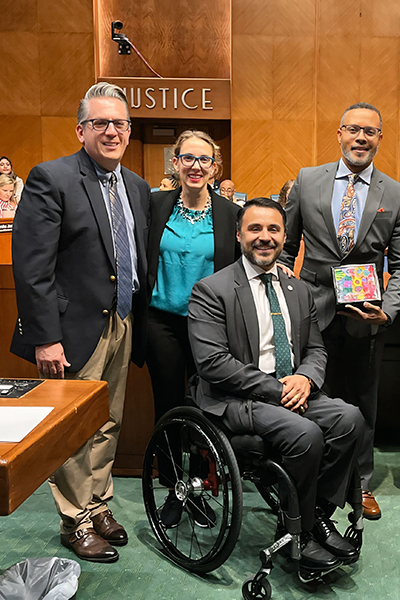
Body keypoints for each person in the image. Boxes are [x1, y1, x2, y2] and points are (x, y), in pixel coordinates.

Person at [10, 82, 150, 563]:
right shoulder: (52, 178)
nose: (111, 131)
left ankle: (98, 501)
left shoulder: (134, 185)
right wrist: (44, 338)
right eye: (101, 123)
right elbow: (32, 268)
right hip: (71, 331)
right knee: (72, 428)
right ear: (81, 129)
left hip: (122, 321)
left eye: (120, 123)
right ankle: (75, 519)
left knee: (107, 420)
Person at [188, 197, 365, 573]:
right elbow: (213, 363)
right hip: (236, 398)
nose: (264, 237)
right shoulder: (211, 290)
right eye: (255, 229)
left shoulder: (297, 290)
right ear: (239, 235)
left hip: (291, 389)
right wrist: (278, 390)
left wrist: (305, 377)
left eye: (273, 229)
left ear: (285, 236)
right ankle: (296, 533)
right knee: (305, 434)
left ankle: (313, 514)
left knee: (349, 419)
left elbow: (316, 348)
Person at [281, 102, 400, 520]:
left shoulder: (396, 194)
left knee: (361, 402)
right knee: (307, 395)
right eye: (354, 130)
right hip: (311, 311)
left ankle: (359, 484)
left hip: (365, 314)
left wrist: (388, 311)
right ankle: (306, 475)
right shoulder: (307, 180)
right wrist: (285, 301)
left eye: (370, 132)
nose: (361, 138)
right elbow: (286, 249)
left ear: (380, 138)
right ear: (339, 133)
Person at [146, 130, 240, 517]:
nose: (195, 166)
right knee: (168, 408)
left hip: (209, 328)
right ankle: (172, 489)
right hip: (160, 322)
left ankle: (200, 488)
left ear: (215, 167)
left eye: (204, 160)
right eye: (188, 158)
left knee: (206, 409)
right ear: (176, 162)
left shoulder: (230, 215)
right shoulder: (155, 206)